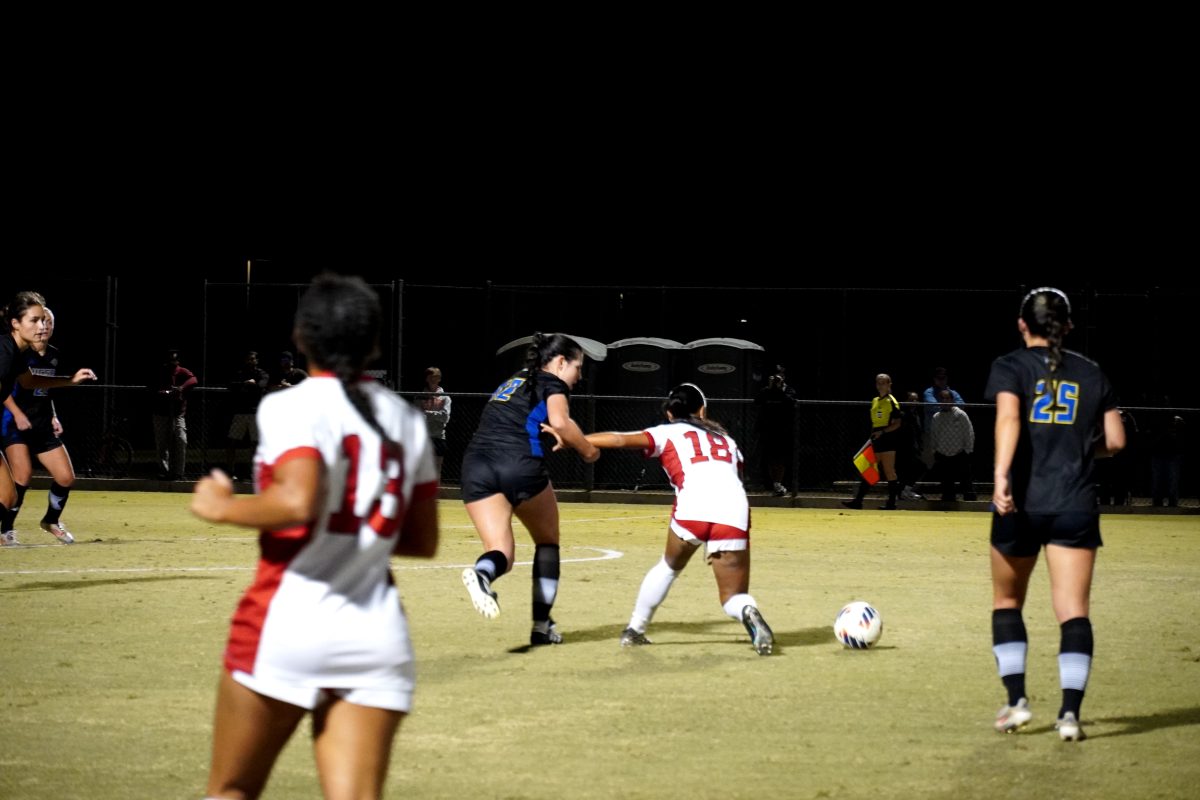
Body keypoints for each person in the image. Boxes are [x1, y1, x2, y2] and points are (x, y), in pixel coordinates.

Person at [189, 274, 439, 799]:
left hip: (289, 621)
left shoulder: (291, 404)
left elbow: (297, 503)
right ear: (372, 344)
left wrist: (220, 505)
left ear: (302, 337)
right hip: (375, 633)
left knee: (231, 789)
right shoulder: (406, 419)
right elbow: (421, 541)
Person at [986, 287, 1125, 743]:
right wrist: (1079, 451)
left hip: (1021, 502)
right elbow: (1117, 441)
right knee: (1073, 613)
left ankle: (1017, 702)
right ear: (1066, 327)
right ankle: (1069, 715)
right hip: (1075, 503)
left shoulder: (1010, 366)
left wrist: (1002, 475)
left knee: (1008, 603)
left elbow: (1008, 420)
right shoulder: (1091, 372)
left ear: (1022, 324)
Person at [581, 383, 774, 655]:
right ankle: (747, 610)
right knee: (733, 595)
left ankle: (635, 629)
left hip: (693, 506)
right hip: (733, 508)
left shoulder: (666, 432)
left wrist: (577, 439)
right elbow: (735, 477)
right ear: (702, 410)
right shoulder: (727, 441)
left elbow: (619, 439)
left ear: (670, 414)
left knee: (668, 567)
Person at [459, 332, 600, 646]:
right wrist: (588, 450)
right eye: (578, 367)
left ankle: (482, 574)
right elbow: (562, 422)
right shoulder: (554, 383)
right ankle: (541, 626)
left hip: (476, 466)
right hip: (519, 464)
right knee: (547, 542)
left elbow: (515, 417)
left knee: (502, 553)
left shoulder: (515, 380)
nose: (579, 376)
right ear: (561, 362)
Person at [0, 292, 96, 547]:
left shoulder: (22, 354)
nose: (43, 326)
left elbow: (29, 381)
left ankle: (45, 522)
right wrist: (18, 414)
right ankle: (7, 531)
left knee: (9, 497)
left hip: (40, 424)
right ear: (15, 323)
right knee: (16, 484)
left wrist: (69, 380)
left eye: (45, 320)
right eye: (35, 320)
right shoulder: (6, 350)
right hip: (14, 425)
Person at [842, 374, 903, 510]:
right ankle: (858, 501)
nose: (881, 385)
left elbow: (897, 423)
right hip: (876, 437)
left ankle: (892, 503)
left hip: (888, 438)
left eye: (883, 383)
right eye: (878, 383)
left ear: (889, 385)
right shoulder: (875, 400)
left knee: (889, 471)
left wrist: (882, 432)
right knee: (869, 469)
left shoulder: (891, 401)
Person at [151, 348, 197, 480]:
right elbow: (153, 387)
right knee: (162, 444)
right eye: (170, 360)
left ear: (178, 360)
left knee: (181, 439)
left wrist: (181, 388)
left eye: (175, 359)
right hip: (161, 413)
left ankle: (178, 473)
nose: (172, 362)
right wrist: (165, 392)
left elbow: (193, 379)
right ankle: (165, 472)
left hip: (177, 414)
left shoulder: (181, 371)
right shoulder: (161, 371)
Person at [224, 350, 269, 480]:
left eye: (253, 359)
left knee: (255, 444)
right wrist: (245, 384)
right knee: (232, 442)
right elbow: (232, 386)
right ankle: (230, 471)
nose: (251, 361)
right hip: (240, 413)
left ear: (257, 360)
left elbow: (262, 384)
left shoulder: (261, 374)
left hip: (255, 413)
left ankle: (253, 472)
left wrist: (252, 385)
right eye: (249, 359)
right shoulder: (240, 373)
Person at [754, 365, 796, 496]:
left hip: (782, 430)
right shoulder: (767, 391)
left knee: (781, 459)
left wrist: (780, 390)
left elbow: (791, 402)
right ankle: (775, 484)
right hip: (768, 429)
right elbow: (757, 401)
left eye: (780, 378)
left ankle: (779, 483)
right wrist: (770, 387)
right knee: (770, 458)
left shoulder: (788, 390)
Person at [930, 388, 976, 501]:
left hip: (960, 452)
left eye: (948, 398)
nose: (945, 401)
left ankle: (970, 501)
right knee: (946, 481)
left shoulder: (960, 414)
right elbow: (933, 435)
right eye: (943, 399)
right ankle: (948, 501)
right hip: (943, 453)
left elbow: (969, 433)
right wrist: (934, 450)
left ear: (952, 400)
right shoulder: (936, 417)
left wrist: (968, 450)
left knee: (965, 479)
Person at [420, 366, 451, 478]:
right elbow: (417, 416)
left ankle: (435, 494)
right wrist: (434, 415)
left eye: (437, 377)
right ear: (427, 378)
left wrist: (428, 413)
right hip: (423, 437)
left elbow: (445, 417)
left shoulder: (445, 398)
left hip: (438, 436)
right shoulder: (420, 396)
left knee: (437, 470)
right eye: (431, 377)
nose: (434, 379)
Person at [1149, 415, 1184, 507]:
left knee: (1173, 480)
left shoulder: (1178, 421)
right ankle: (1157, 502)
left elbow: (1183, 438)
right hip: (1158, 453)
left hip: (1173, 454)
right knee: (1157, 480)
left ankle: (1172, 503)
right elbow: (1150, 438)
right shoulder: (1157, 421)